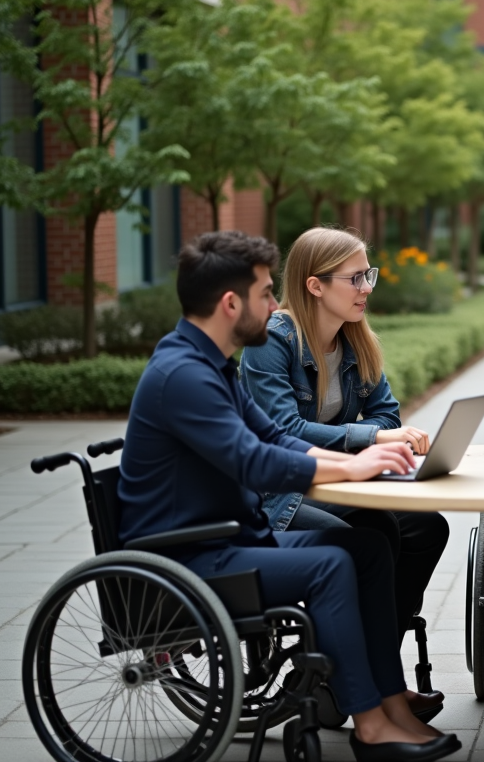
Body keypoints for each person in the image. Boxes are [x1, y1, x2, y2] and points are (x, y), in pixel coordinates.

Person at [117, 231, 461, 762]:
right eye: (264, 294)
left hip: (232, 534)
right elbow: (254, 460)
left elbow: (276, 437)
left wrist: (357, 462)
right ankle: (369, 722)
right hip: (193, 553)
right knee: (334, 561)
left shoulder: (212, 366)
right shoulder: (183, 375)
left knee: (369, 549)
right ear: (232, 304)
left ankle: (391, 704)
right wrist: (361, 456)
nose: (276, 306)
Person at [240, 227, 449, 719]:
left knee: (425, 528)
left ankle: (362, 675)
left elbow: (387, 414)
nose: (367, 288)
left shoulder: (356, 340)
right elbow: (284, 429)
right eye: (356, 278)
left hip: (334, 480)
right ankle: (358, 684)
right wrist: (368, 440)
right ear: (315, 285)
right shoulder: (273, 341)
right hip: (280, 495)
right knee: (367, 536)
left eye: (368, 275)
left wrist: (376, 436)